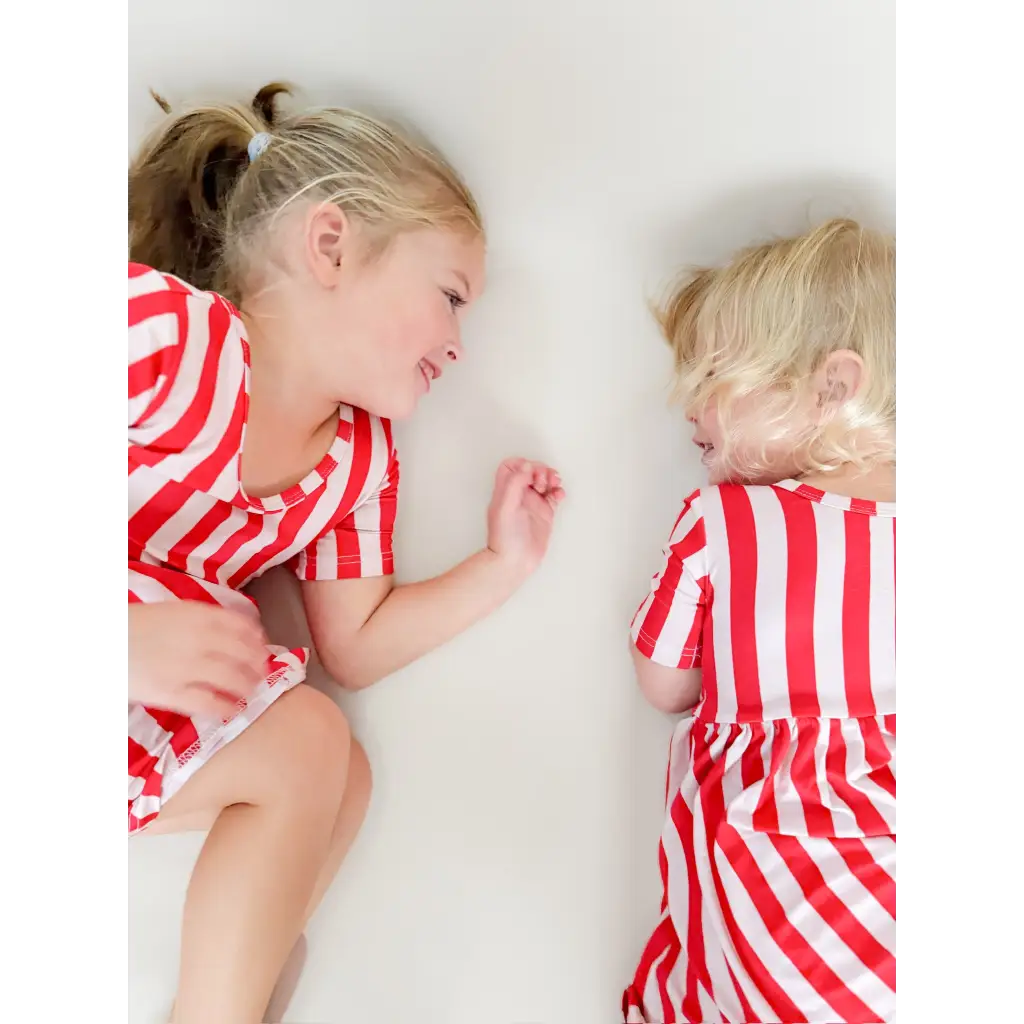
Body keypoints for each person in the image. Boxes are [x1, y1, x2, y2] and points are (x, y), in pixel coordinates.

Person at [127, 83, 565, 1024]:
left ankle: (222, 1003)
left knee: (342, 776)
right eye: (450, 298)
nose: (458, 345)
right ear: (330, 246)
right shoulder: (165, 336)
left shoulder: (356, 465)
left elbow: (355, 644)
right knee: (310, 744)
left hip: (148, 720)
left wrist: (502, 565)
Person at [624, 218, 895, 1023]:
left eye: (712, 374)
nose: (686, 407)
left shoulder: (723, 521)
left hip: (773, 843)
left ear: (833, 386)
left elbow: (665, 683)